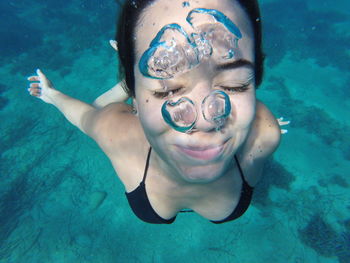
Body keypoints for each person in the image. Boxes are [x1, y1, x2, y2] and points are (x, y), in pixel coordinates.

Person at [27, 0, 285, 224]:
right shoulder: (119, 136)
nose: (206, 122)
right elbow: (87, 116)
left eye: (235, 85)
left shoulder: (265, 133)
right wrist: (52, 95)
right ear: (136, 104)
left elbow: (90, 115)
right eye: (166, 91)